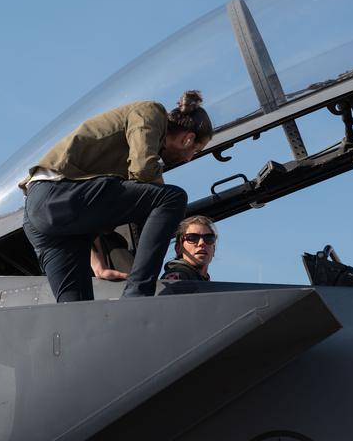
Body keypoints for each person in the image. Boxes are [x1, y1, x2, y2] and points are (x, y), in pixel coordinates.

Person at [20, 91, 212, 302]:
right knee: (173, 198)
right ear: (188, 139)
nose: (188, 159)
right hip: (57, 195)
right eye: (196, 150)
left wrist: (98, 264)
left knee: (77, 311)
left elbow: (86, 209)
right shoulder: (151, 111)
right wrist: (165, 204)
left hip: (42, 216)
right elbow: (143, 169)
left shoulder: (116, 160)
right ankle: (137, 296)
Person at [161, 215, 218, 281]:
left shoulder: (207, 284)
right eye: (192, 238)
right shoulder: (176, 277)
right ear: (178, 248)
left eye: (209, 238)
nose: (202, 243)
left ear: (213, 250)